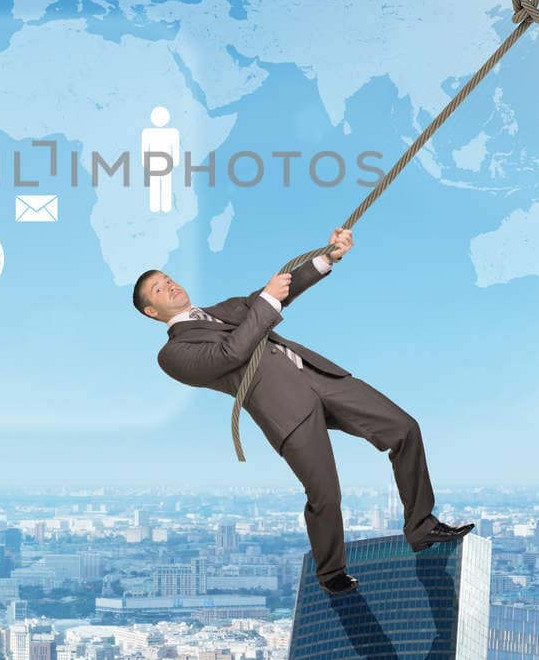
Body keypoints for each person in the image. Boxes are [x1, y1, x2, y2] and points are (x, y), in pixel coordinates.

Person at [135, 228, 473, 595]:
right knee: (325, 492)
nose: (170, 286)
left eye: (168, 279)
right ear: (152, 311)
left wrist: (328, 257)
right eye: (158, 289)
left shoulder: (223, 309)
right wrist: (266, 300)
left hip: (320, 377)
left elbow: (275, 296)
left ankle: (421, 527)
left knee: (404, 428)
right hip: (284, 409)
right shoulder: (174, 355)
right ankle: (331, 574)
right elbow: (230, 353)